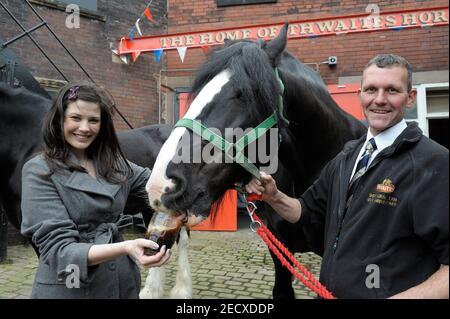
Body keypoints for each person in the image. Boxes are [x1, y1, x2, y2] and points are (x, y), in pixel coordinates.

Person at [246, 54, 449, 299]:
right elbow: (306, 211)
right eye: (371, 89)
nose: (380, 100)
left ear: (410, 97)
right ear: (360, 95)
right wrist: (274, 196)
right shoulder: (347, 156)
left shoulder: (435, 163)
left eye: (392, 90)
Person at [21, 82, 176, 298]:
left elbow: (158, 185)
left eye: (93, 120)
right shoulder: (38, 171)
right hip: (71, 283)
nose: (85, 128)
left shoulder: (114, 164)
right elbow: (60, 251)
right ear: (60, 119)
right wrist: (125, 248)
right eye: (76, 118)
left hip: (121, 283)